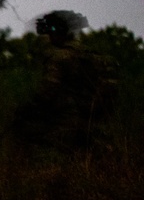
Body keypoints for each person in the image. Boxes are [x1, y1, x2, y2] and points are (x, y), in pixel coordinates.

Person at [14, 10, 115, 151]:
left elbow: (47, 92)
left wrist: (25, 110)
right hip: (93, 122)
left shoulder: (59, 58)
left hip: (66, 122)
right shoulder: (89, 55)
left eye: (51, 32)